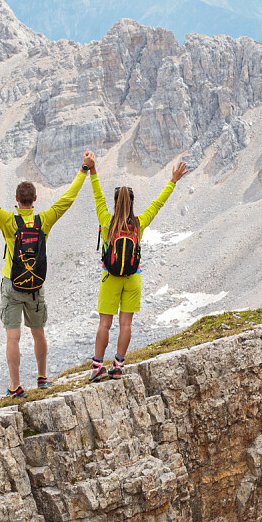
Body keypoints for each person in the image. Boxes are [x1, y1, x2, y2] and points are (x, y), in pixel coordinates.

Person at [0, 149, 91, 398]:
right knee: (38, 334)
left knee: (13, 338)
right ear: (35, 199)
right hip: (35, 286)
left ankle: (15, 386)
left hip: (12, 285)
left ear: (17, 199)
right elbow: (67, 199)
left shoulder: (7, 220)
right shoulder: (44, 220)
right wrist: (83, 170)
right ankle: (42, 378)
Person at [85, 151, 188, 381]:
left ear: (114, 203)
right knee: (125, 323)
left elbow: (97, 194)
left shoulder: (106, 221)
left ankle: (97, 366)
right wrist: (172, 181)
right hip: (134, 277)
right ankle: (119, 365)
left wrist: (92, 169)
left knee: (105, 323)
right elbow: (158, 204)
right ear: (132, 203)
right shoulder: (138, 225)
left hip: (109, 277)